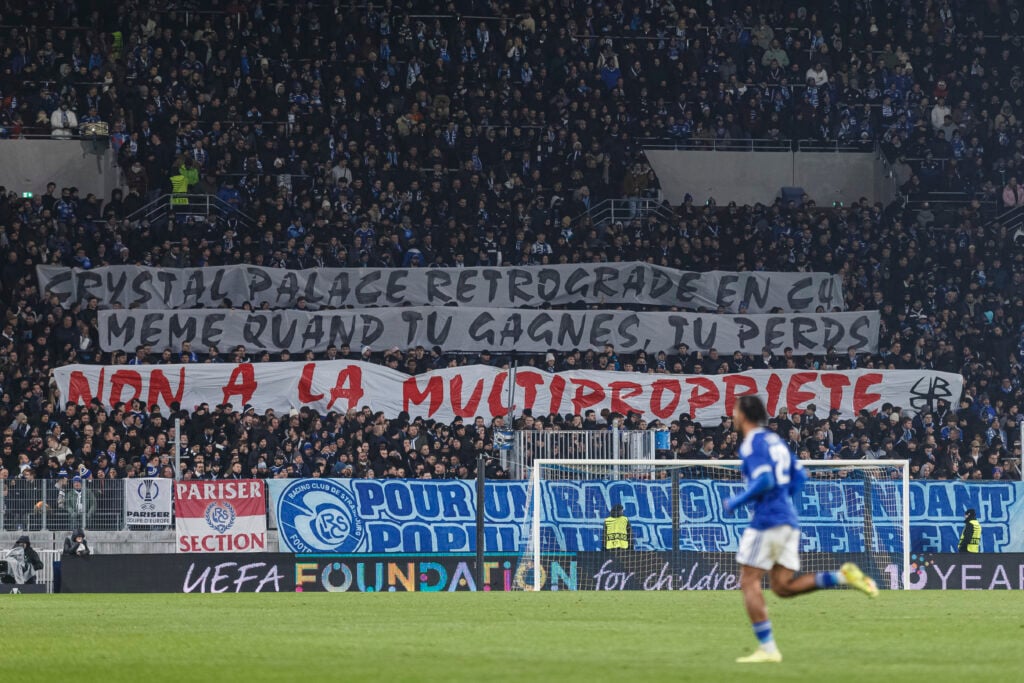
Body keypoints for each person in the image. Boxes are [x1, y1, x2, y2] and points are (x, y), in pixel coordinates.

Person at [724, 396, 877, 664]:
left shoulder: (753, 443)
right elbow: (801, 476)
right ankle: (842, 577)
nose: (733, 416)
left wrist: (736, 501)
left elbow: (765, 479)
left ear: (743, 414)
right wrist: (784, 500)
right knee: (782, 587)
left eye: (735, 411)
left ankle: (768, 650)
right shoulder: (775, 442)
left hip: (767, 520)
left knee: (748, 581)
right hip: (788, 519)